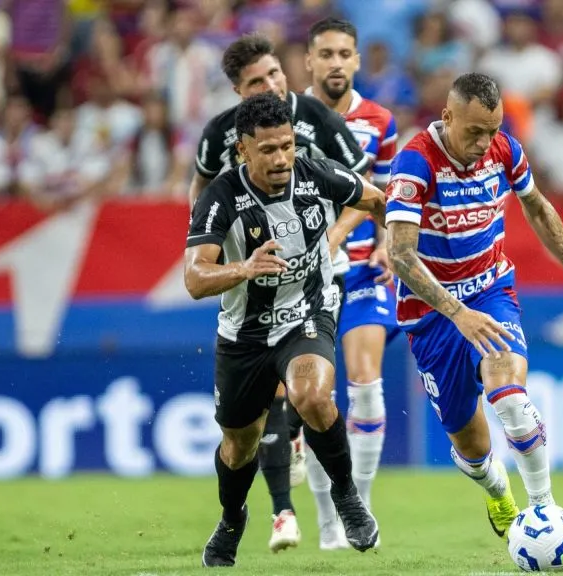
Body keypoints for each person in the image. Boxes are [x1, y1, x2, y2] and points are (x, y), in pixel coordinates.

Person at [384, 73, 563, 536]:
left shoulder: (504, 149)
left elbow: (536, 206)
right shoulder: (415, 164)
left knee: (509, 395)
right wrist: (456, 312)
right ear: (447, 116)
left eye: (492, 130)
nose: (484, 142)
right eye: (474, 131)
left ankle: (545, 511)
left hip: (491, 292)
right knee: (471, 444)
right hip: (433, 315)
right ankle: (498, 494)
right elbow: (400, 255)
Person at [185, 92, 385, 567]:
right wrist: (244, 269)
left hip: (307, 313)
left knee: (312, 396)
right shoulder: (221, 198)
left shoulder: (314, 173)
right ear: (243, 151)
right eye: (268, 149)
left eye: (287, 146)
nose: (281, 159)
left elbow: (375, 198)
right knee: (239, 445)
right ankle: (232, 519)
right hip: (244, 336)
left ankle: (347, 496)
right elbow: (195, 279)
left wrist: (392, 243)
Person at [302, 16, 399, 550]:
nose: (336, 62)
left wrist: (386, 243)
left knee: (365, 384)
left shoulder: (380, 121)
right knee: (315, 398)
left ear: (357, 60)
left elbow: (387, 195)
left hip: (362, 269)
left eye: (345, 53)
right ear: (309, 60)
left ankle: (356, 506)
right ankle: (326, 518)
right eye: (326, 53)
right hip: (305, 280)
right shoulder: (289, 121)